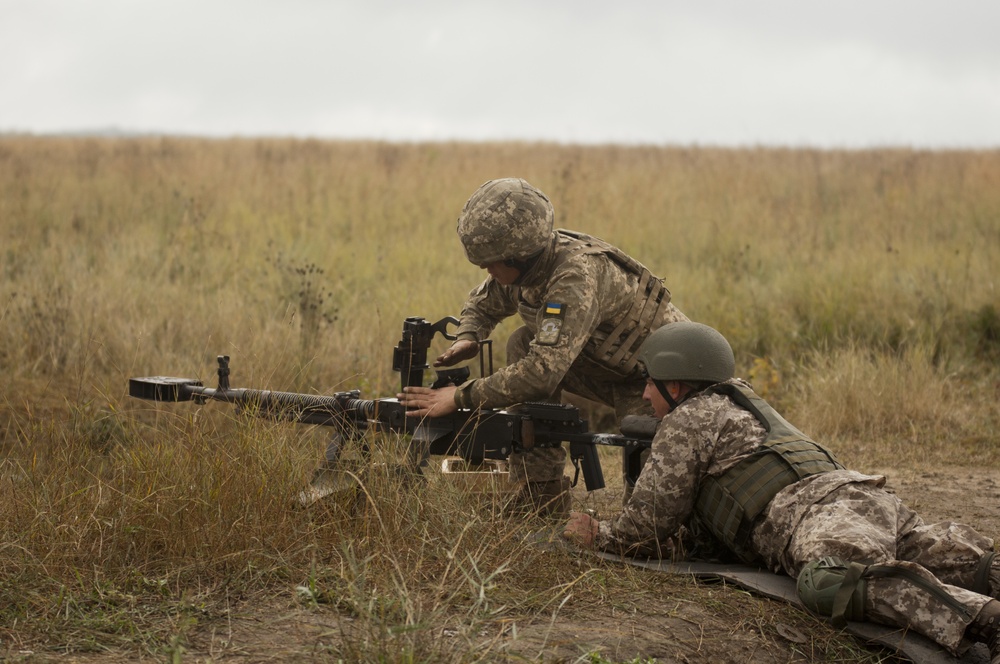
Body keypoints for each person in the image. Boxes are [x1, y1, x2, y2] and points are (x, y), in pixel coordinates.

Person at [562, 321, 1000, 661]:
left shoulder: (688, 419)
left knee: (829, 581)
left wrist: (598, 534)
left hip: (818, 514)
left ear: (674, 386)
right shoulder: (741, 403)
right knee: (964, 562)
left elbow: (647, 524)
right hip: (864, 498)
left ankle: (984, 620)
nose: (644, 393)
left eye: (650, 383)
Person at [397, 177, 688, 516]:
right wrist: (469, 336)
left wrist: (460, 396)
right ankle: (540, 493)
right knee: (522, 340)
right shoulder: (526, 267)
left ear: (520, 256)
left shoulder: (574, 278)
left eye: (493, 263)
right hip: (605, 365)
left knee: (646, 518)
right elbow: (483, 303)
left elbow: (541, 375)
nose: (487, 271)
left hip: (661, 381)